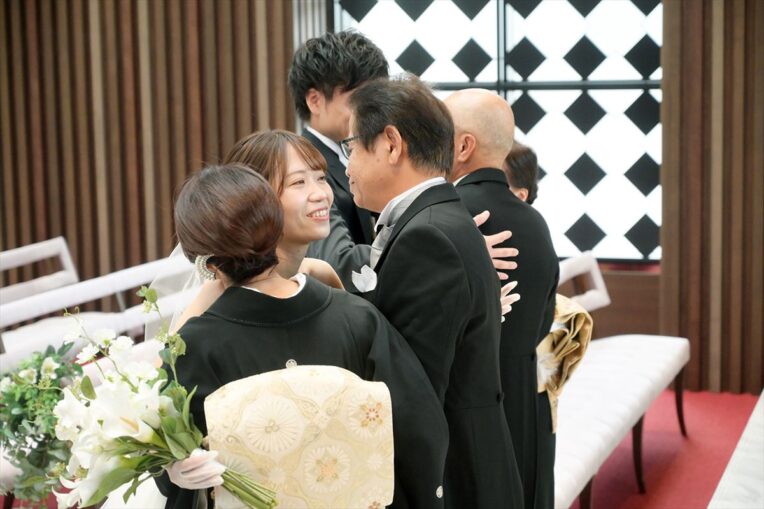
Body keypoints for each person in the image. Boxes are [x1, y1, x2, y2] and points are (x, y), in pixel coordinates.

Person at [155, 163, 448, 508]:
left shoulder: (194, 347)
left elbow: (176, 472)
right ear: (276, 226)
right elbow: (419, 429)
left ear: (204, 261)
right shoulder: (357, 318)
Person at [343, 75, 524, 509]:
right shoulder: (440, 217)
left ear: (391, 144)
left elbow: (414, 394)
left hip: (456, 478)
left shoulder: (427, 237)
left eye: (351, 147)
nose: (346, 167)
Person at [445, 88, 559, 509]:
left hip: (464, 405)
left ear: (463, 146)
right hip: (527, 394)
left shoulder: (447, 215)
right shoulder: (535, 222)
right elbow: (544, 316)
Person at [288, 30, 388, 288]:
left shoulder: (368, 154)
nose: (372, 113)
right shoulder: (300, 166)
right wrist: (424, 249)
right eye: (360, 100)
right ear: (315, 101)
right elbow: (337, 262)